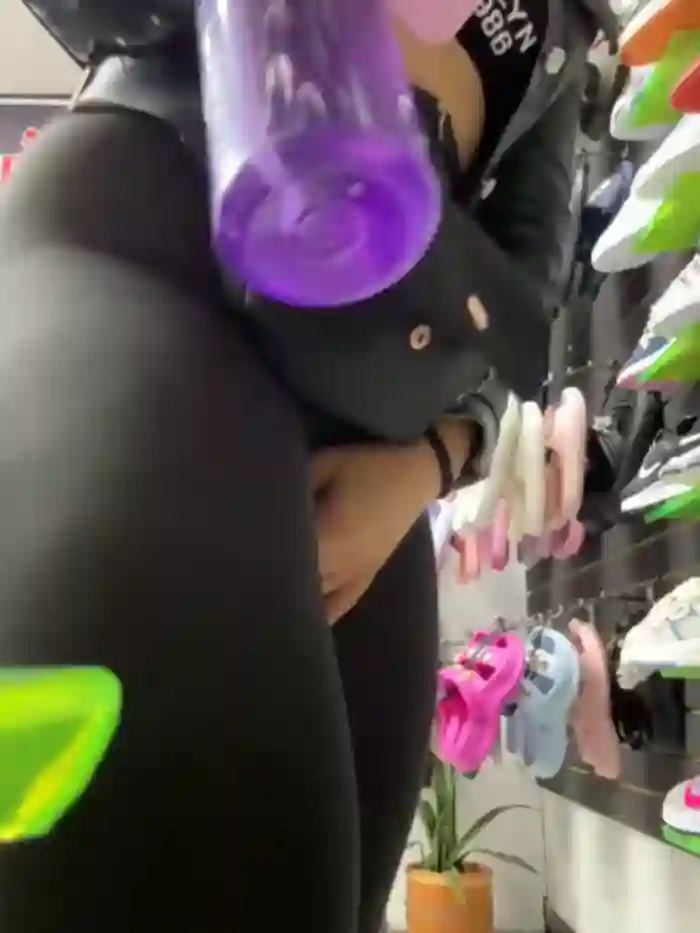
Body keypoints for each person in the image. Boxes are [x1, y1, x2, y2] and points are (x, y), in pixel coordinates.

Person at [0, 1, 616, 931]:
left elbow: (526, 288)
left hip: (369, 433)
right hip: (154, 244)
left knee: (330, 893)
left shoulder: (569, 26)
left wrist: (435, 459)